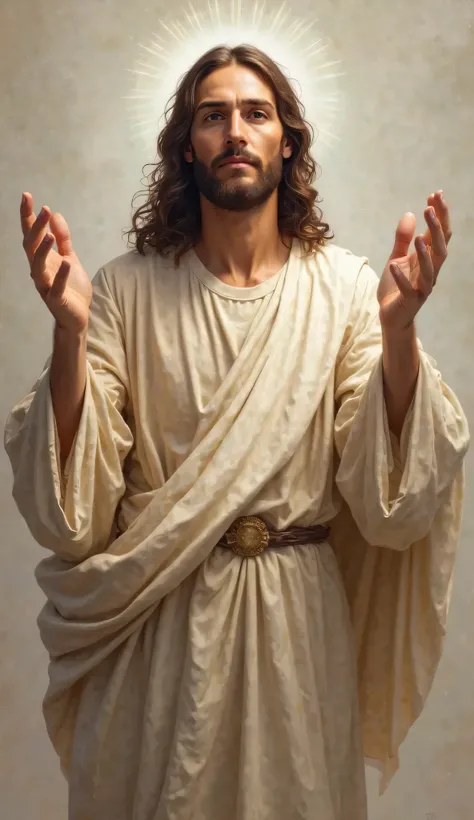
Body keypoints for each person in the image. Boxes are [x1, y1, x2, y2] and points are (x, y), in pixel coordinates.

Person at [4, 43, 470, 820]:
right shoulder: (124, 291)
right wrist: (69, 334)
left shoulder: (346, 290)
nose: (235, 131)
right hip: (163, 631)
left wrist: (398, 336)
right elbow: (73, 513)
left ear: (287, 140)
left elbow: (392, 501)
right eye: (213, 116)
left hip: (296, 630)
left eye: (256, 113)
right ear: (188, 146)